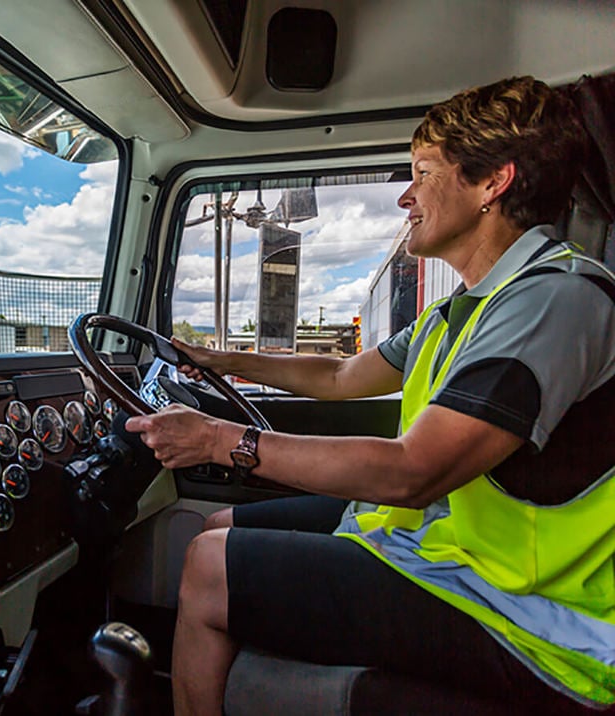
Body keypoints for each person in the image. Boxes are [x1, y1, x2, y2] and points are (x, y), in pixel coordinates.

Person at [125, 76, 615, 715]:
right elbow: (340, 376)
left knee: (210, 565)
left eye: (423, 174)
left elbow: (413, 471)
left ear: (493, 182)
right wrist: (215, 357)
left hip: (531, 610)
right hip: (451, 550)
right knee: (218, 528)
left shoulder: (551, 301)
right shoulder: (460, 311)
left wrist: (221, 441)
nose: (406, 198)